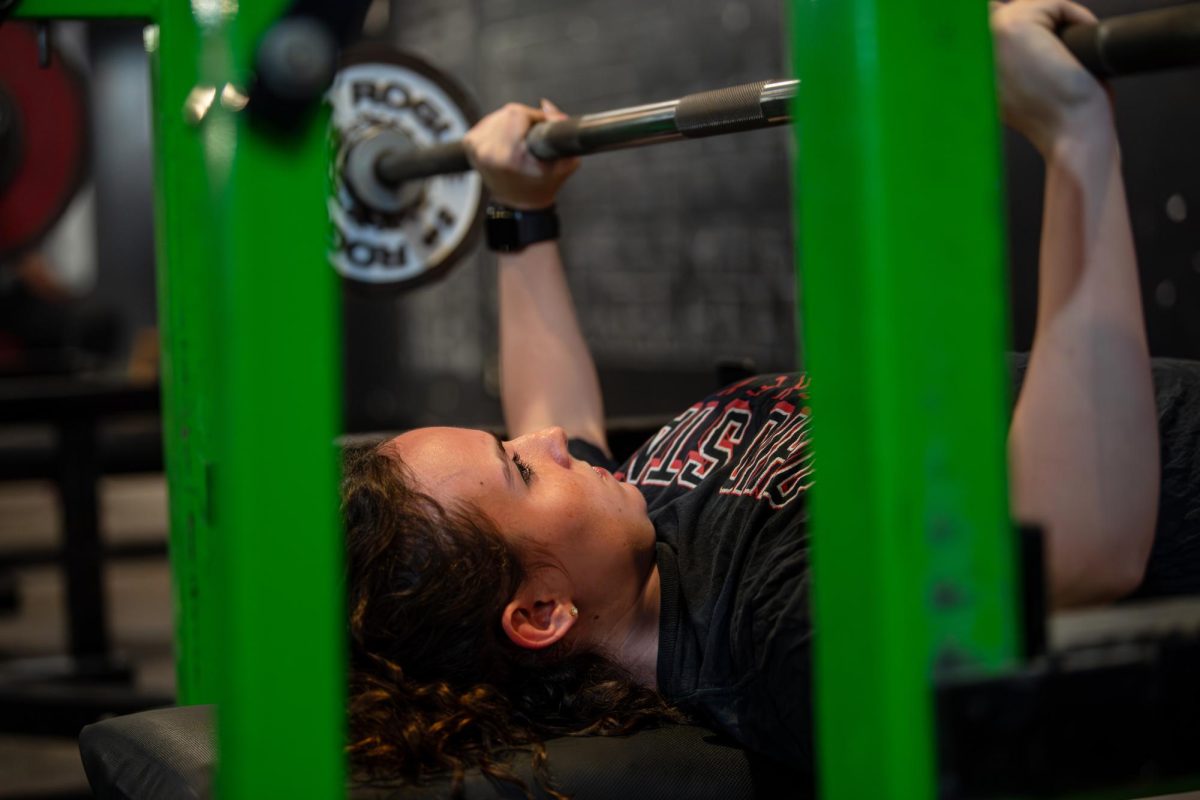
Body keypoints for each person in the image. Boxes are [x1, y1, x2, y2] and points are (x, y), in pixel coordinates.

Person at [342, 1, 1193, 796]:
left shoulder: (625, 538)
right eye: (521, 471)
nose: (548, 438)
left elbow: (548, 413)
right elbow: (1083, 553)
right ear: (540, 615)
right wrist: (1074, 138)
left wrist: (519, 212)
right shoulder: (777, 636)